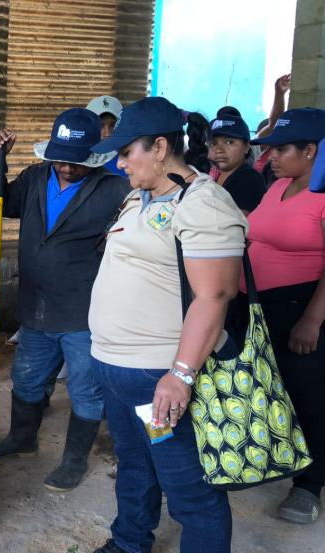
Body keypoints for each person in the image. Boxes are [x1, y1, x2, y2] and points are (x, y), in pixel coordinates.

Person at [87, 97, 247, 553]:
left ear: (159, 148)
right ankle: (129, 542)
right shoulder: (139, 196)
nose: (120, 163)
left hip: (157, 379)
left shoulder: (202, 203)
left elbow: (215, 296)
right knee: (134, 464)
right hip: (118, 373)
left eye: (126, 152)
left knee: (190, 490)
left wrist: (180, 376)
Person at [0, 108, 131, 492]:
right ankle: (23, 439)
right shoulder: (35, 176)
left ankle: (74, 460)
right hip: (36, 305)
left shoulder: (115, 189)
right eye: (60, 158)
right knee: (26, 379)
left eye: (75, 161)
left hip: (83, 312)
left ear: (94, 155)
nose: (66, 167)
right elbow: (2, 204)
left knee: (85, 390)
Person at [245, 108, 325, 524]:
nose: (271, 156)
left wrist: (312, 319)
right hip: (256, 307)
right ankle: (273, 457)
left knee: (309, 396)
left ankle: (309, 486)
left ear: (311, 150)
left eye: (280, 149)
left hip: (299, 308)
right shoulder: (277, 186)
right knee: (266, 388)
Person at [208, 113, 266, 215]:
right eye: (213, 144)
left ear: (246, 147)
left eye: (229, 142)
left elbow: (235, 222)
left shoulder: (248, 179)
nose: (218, 150)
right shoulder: (214, 175)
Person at [87, 95, 127, 178]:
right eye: (100, 125)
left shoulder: (131, 160)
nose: (107, 133)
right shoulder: (79, 160)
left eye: (113, 125)